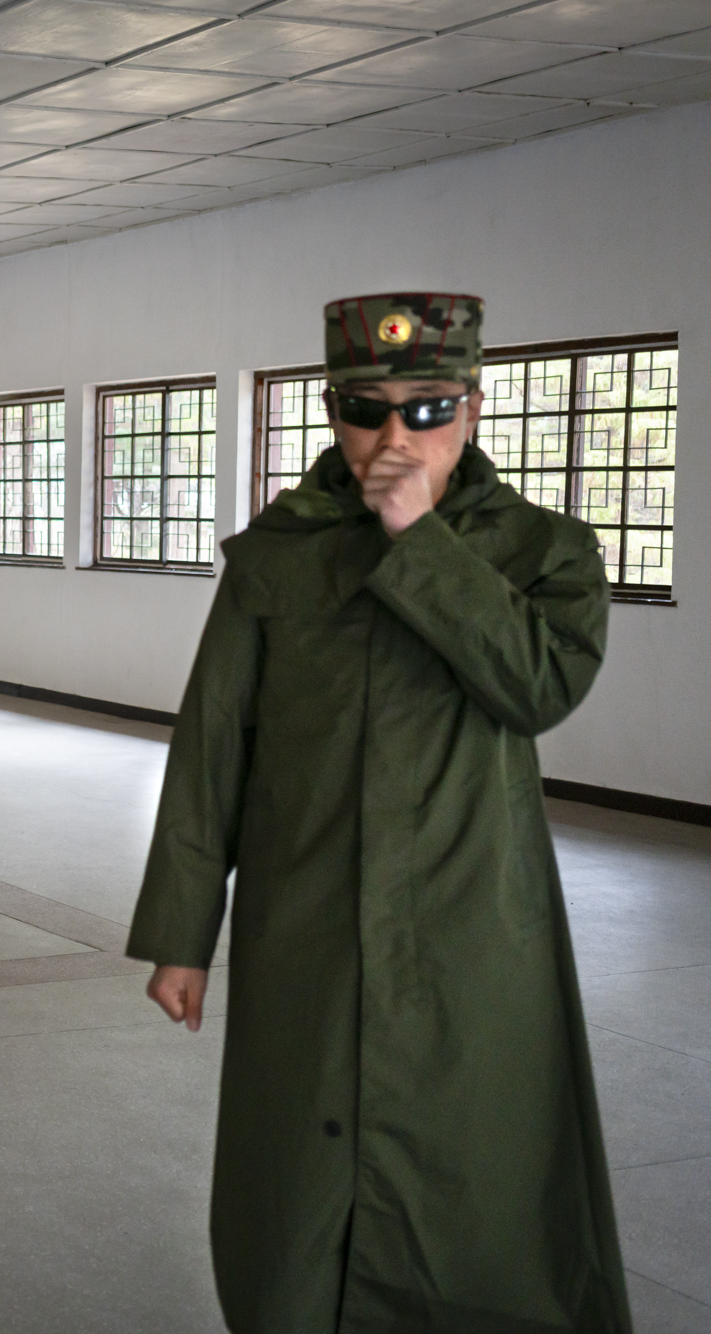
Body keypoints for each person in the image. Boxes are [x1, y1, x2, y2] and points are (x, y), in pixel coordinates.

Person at [127, 293, 632, 1330]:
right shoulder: (278, 551)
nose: (392, 437)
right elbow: (213, 742)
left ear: (473, 410)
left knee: (470, 1162)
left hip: (471, 918)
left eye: (425, 409)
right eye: (365, 409)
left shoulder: (542, 549)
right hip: (302, 907)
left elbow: (536, 688)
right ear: (328, 411)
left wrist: (418, 539)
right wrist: (181, 933)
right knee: (297, 1165)